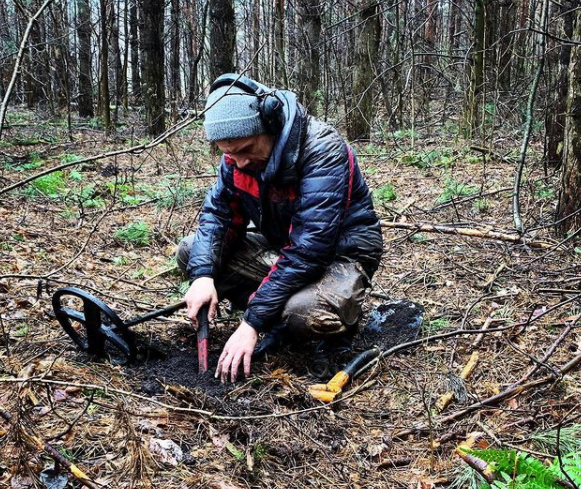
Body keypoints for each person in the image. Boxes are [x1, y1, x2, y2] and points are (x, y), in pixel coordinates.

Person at [177, 74, 383, 383]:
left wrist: (252, 323)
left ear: (270, 125)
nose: (239, 162)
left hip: (339, 256)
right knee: (192, 252)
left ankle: (336, 322)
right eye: (229, 154)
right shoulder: (236, 160)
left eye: (246, 150)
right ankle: (277, 315)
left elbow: (309, 250)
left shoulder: (321, 151)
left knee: (304, 314)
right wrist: (204, 276)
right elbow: (217, 217)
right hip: (283, 246)